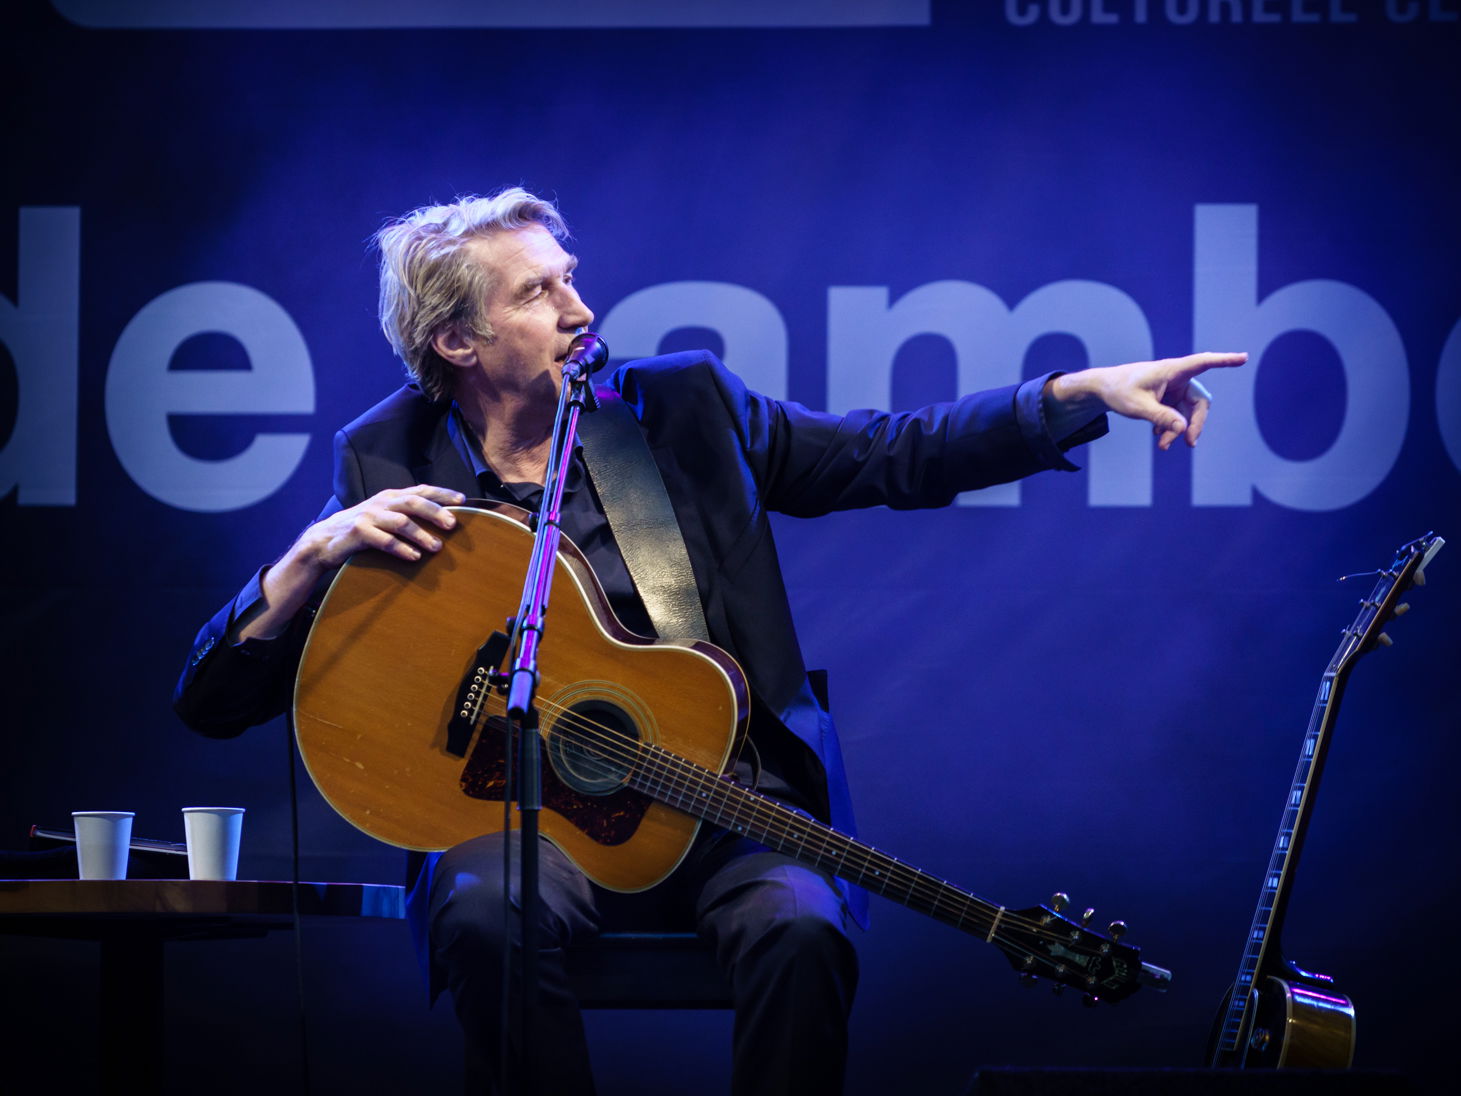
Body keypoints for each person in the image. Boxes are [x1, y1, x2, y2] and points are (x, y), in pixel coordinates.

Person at [174, 187, 1245, 1095]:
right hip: (522, 827)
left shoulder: (686, 409)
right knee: (486, 915)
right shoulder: (384, 458)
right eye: (538, 291)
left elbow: (893, 454)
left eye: (570, 276)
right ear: (457, 341)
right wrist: (307, 559)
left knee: (803, 928)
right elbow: (218, 700)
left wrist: (1075, 396)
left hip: (727, 802)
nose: (580, 307)